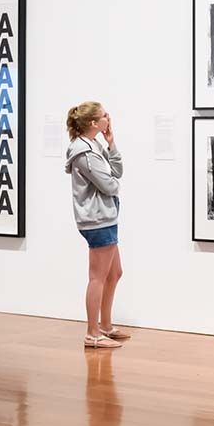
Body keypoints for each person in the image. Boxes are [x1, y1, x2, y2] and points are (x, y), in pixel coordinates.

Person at [65, 102, 129, 349]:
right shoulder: (84, 152)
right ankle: (92, 333)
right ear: (93, 123)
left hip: (106, 217)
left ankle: (105, 325)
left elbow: (117, 172)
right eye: (104, 116)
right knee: (98, 277)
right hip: (97, 220)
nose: (108, 118)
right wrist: (113, 183)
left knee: (114, 273)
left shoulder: (95, 146)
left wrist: (111, 142)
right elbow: (110, 185)